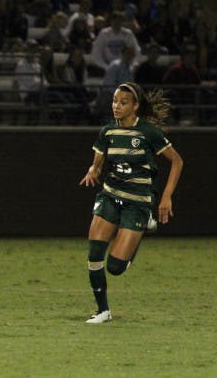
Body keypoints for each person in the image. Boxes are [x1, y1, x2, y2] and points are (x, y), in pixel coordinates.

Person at [79, 82, 183, 324]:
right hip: (110, 194)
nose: (116, 106)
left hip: (137, 201)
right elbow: (98, 162)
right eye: (114, 101)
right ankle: (103, 310)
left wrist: (166, 196)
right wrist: (93, 169)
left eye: (123, 102)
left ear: (135, 106)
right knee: (94, 252)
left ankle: (145, 226)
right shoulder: (107, 132)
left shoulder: (148, 133)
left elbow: (177, 162)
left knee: (115, 267)